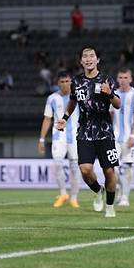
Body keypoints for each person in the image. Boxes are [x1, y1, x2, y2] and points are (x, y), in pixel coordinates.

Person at [56, 46, 121, 218]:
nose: (89, 59)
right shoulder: (76, 81)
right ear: (81, 61)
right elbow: (72, 102)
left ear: (97, 60)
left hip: (105, 132)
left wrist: (109, 94)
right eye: (85, 56)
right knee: (85, 170)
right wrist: (64, 117)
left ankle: (109, 206)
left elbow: (118, 104)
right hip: (84, 132)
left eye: (92, 56)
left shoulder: (106, 79)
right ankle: (98, 190)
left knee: (109, 171)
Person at [40, 71, 82, 209]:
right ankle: (63, 193)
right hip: (59, 137)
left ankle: (74, 198)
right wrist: (41, 139)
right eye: (62, 82)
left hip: (76, 138)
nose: (65, 84)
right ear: (57, 83)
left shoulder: (79, 97)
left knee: (75, 168)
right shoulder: (52, 98)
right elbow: (47, 119)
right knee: (57, 164)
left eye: (67, 81)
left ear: (72, 82)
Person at [109, 67, 134, 207]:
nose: (123, 80)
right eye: (120, 78)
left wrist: (133, 135)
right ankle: (116, 189)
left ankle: (125, 197)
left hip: (130, 137)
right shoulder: (113, 94)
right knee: (112, 167)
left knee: (127, 167)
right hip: (114, 137)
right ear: (117, 79)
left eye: (125, 78)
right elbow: (110, 115)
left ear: (130, 79)